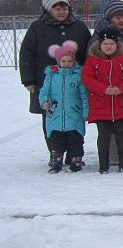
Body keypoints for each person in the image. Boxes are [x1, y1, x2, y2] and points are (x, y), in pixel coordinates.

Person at [19, 0, 91, 164]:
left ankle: (74, 153)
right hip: (47, 83)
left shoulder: (79, 27)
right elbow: (26, 53)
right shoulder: (37, 27)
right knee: (50, 117)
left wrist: (88, 76)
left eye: (64, 8)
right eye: (57, 8)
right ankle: (55, 152)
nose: (61, 12)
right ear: (48, 9)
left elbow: (89, 52)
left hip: (74, 83)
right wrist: (28, 80)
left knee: (74, 117)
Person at [82, 28, 123, 173]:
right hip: (101, 105)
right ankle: (103, 165)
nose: (109, 46)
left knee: (122, 136)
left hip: (122, 104)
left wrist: (121, 88)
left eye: (112, 44)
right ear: (100, 45)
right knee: (103, 137)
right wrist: (103, 89)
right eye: (106, 44)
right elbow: (87, 79)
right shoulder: (92, 60)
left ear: (117, 45)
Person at [38, 40, 88, 173]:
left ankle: (76, 160)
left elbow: (84, 95)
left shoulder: (77, 77)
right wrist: (45, 102)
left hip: (74, 114)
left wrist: (85, 112)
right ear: (59, 61)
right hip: (55, 114)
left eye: (70, 61)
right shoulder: (51, 76)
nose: (67, 64)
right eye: (64, 61)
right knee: (57, 141)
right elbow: (44, 91)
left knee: (75, 140)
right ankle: (57, 161)